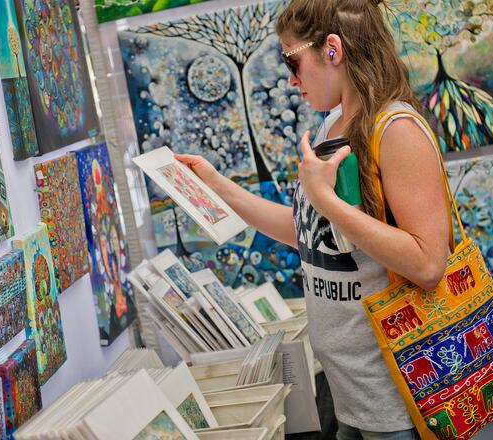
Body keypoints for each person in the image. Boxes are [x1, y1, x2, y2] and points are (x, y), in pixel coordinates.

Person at [176, 0, 451, 438]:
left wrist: (325, 199)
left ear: (333, 50)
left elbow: (428, 264)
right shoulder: (331, 127)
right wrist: (217, 186)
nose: (291, 78)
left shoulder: (397, 129)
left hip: (399, 399)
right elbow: (308, 235)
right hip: (351, 394)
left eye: (293, 60)